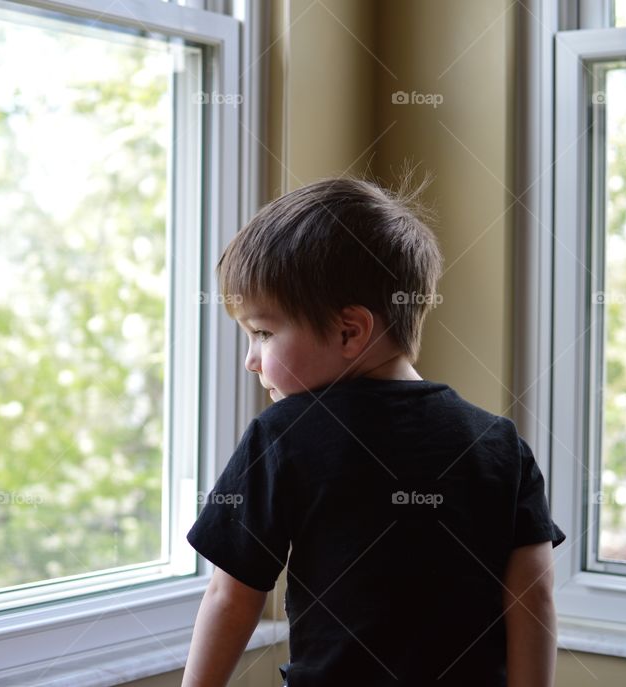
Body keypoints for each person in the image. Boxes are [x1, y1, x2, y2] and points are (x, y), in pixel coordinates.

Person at [181, 176, 566, 687]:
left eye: (263, 333)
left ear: (350, 331)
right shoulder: (499, 444)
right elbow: (533, 597)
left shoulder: (280, 436)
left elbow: (230, 596)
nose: (251, 361)